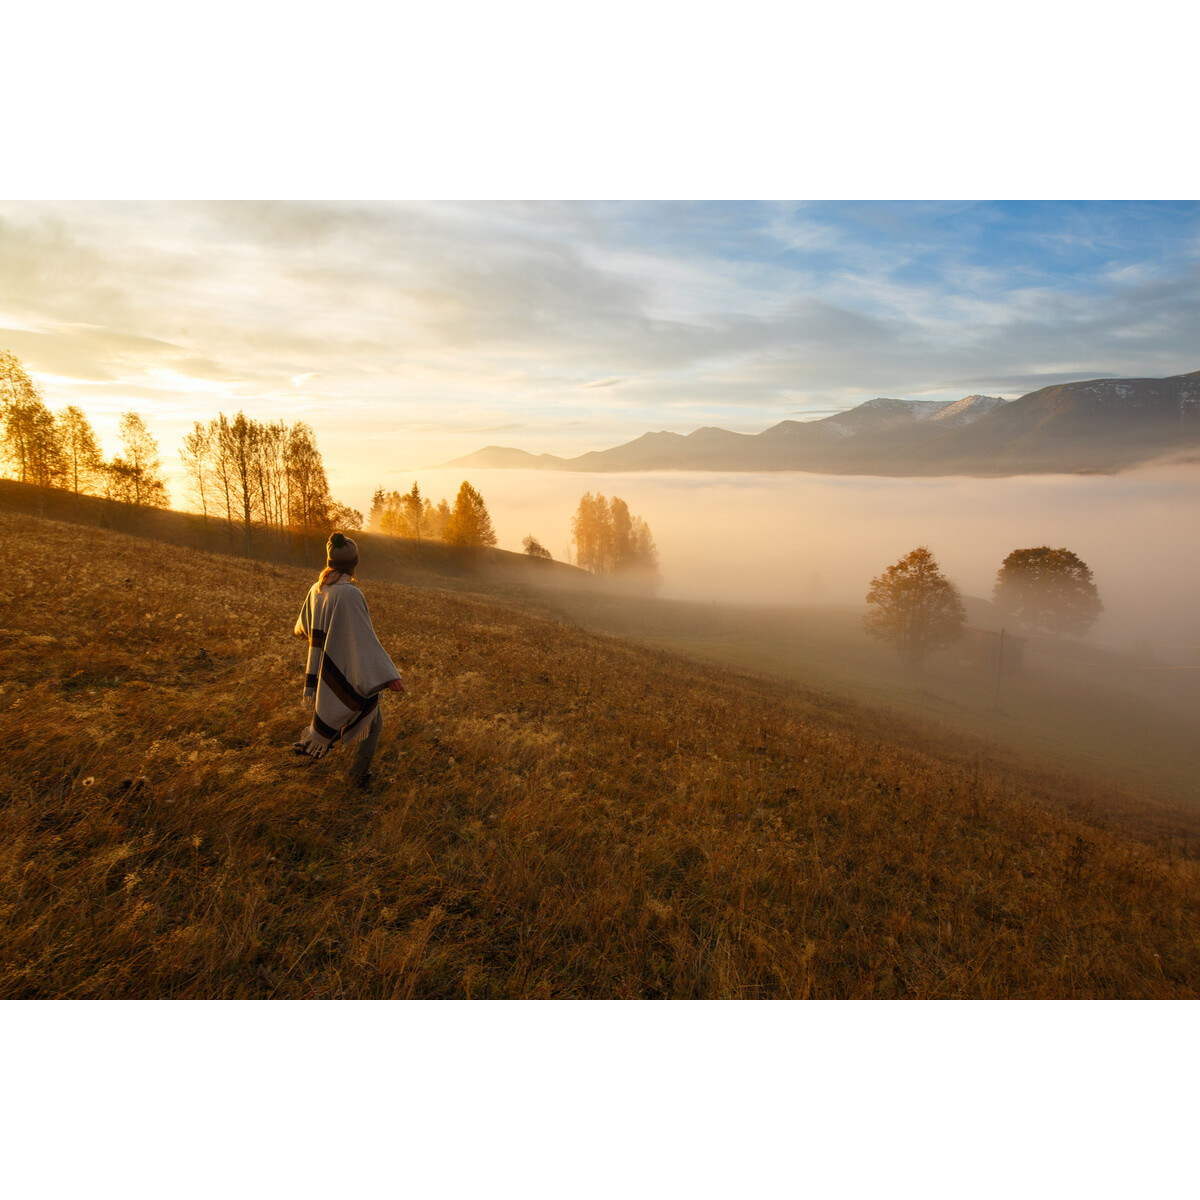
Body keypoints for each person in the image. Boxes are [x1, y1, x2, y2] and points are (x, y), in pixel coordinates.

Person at [293, 532, 404, 789]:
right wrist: (390, 676)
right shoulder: (350, 594)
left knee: (355, 715)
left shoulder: (317, 588)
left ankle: (313, 747)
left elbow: (303, 627)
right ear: (355, 563)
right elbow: (365, 641)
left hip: (328, 664)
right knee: (371, 723)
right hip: (345, 667)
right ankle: (356, 776)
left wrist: (328, 641)